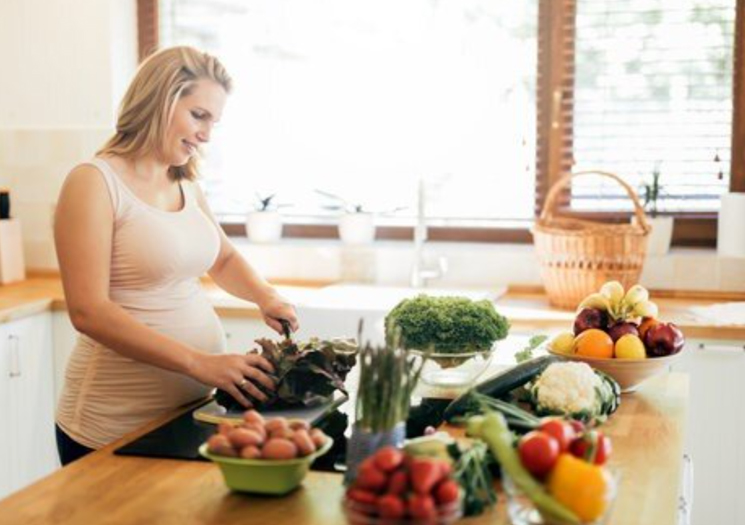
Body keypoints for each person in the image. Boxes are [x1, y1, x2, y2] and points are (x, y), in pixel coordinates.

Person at [53, 46, 298, 465]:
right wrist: (199, 363)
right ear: (159, 101)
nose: (206, 135)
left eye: (213, 122)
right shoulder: (93, 182)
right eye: (198, 116)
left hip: (188, 414)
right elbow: (89, 311)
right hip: (111, 425)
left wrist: (265, 295)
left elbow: (221, 259)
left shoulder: (184, 184)